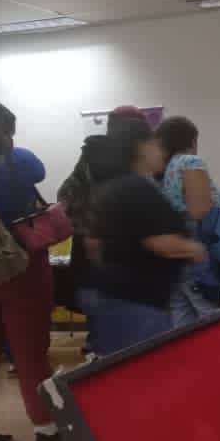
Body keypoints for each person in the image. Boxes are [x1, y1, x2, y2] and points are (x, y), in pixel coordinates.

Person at [83, 119, 205, 352]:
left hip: (115, 299)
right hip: (139, 306)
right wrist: (194, 249)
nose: (161, 151)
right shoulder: (137, 189)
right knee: (152, 373)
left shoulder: (110, 188)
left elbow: (93, 244)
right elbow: (157, 241)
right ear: (141, 147)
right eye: (156, 144)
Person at [0, 102, 59, 441]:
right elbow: (39, 171)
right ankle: (46, 430)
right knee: (30, 350)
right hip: (21, 269)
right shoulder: (19, 161)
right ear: (6, 131)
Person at [58, 106, 150, 313]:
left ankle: (97, 342)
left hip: (92, 244)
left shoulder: (91, 154)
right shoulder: (138, 160)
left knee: (99, 307)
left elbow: (65, 195)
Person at [155, 115, 220, 325]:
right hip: (199, 248)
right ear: (192, 141)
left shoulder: (162, 172)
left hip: (174, 253)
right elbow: (201, 211)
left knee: (183, 326)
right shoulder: (190, 162)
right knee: (213, 322)